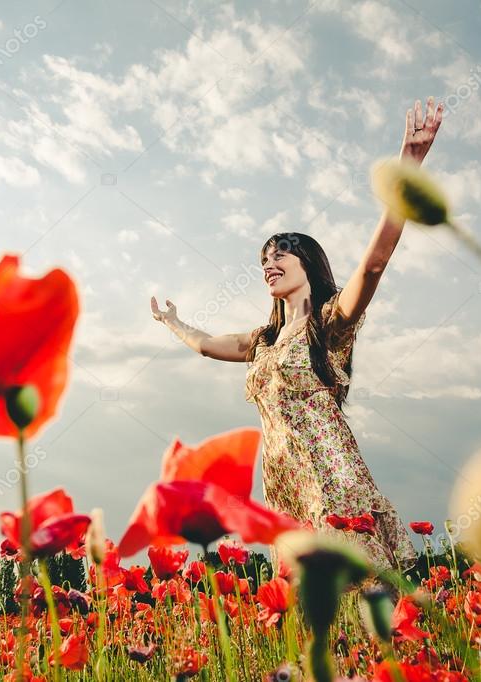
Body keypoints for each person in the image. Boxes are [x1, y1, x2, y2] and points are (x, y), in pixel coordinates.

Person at [150, 96, 444, 572]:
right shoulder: (263, 341)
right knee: (311, 604)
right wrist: (173, 322)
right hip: (286, 478)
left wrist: (406, 170)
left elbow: (372, 267)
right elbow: (206, 345)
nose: (270, 263)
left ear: (308, 262)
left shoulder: (328, 323)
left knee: (362, 585)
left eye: (281, 253)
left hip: (332, 472)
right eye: (265, 257)